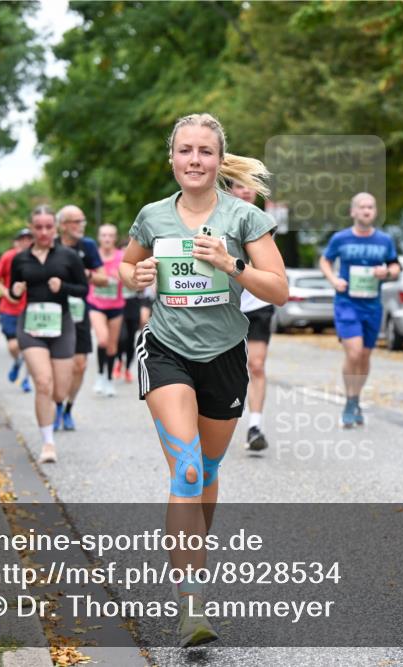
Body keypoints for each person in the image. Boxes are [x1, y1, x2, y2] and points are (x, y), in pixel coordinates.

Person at [120, 113, 288, 647]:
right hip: (166, 349)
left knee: (208, 472)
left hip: (225, 357)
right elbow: (125, 267)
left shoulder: (244, 217)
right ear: (171, 158)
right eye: (185, 151)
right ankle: (192, 603)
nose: (195, 160)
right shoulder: (151, 216)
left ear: (219, 160)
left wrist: (232, 263)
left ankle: (189, 556)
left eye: (205, 152)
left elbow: (279, 289)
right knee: (188, 470)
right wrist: (136, 275)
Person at [10, 205, 89, 463]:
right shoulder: (20, 259)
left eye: (48, 227)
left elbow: (83, 290)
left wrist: (63, 286)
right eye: (38, 227)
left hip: (62, 325)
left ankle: (57, 407)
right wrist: (16, 290)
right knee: (43, 383)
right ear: (31, 229)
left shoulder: (68, 257)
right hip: (31, 326)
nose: (43, 232)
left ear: (55, 228)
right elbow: (12, 291)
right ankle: (48, 443)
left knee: (59, 391)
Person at [318, 192, 400, 428]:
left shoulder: (384, 240)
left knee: (364, 355)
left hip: (372, 304)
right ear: (353, 211)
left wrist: (388, 272)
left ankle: (355, 398)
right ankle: (348, 401)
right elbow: (325, 261)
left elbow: (395, 265)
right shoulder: (341, 239)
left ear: (375, 212)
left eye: (371, 207)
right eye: (362, 207)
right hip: (347, 303)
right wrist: (334, 280)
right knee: (353, 353)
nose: (366, 211)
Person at [229, 181, 275, 451]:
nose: (246, 190)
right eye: (239, 185)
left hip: (257, 303)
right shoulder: (217, 218)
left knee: (256, 365)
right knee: (225, 367)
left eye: (251, 186)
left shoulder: (265, 222)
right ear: (229, 189)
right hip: (226, 305)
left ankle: (255, 426)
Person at [54, 205, 107, 430]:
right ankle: (56, 406)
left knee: (80, 364)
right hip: (54, 311)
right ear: (63, 225)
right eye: (76, 221)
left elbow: (103, 279)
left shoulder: (88, 246)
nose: (81, 226)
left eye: (83, 221)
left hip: (79, 308)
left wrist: (84, 273)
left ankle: (67, 409)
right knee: (58, 364)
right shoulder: (52, 245)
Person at [0, 228, 34, 393]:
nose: (25, 242)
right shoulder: (8, 257)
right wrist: (7, 294)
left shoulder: (38, 258)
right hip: (9, 308)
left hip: (31, 309)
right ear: (16, 241)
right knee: (13, 346)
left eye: (28, 238)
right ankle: (17, 362)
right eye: (22, 239)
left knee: (31, 349)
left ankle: (26, 380)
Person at [87, 224, 126, 397]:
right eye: (104, 235)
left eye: (111, 235)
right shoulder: (92, 256)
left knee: (112, 346)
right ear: (99, 237)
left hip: (116, 305)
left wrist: (123, 276)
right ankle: (99, 375)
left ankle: (109, 379)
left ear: (115, 238)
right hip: (96, 304)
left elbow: (130, 276)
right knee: (102, 340)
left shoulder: (122, 256)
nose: (107, 239)